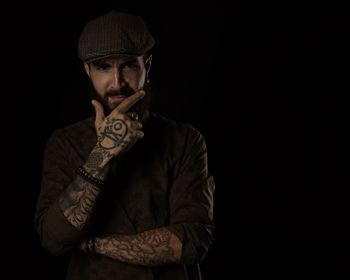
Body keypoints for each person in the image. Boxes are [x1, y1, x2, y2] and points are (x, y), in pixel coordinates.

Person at [35, 10, 215, 280]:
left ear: (148, 66)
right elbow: (53, 238)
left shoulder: (185, 140)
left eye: (129, 64)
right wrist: (103, 153)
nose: (117, 82)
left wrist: (95, 244)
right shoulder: (65, 143)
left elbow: (191, 241)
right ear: (87, 70)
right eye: (103, 67)